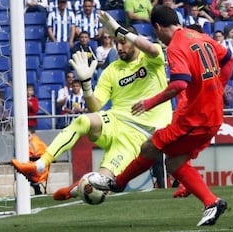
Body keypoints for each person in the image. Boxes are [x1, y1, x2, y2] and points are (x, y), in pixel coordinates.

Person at [90, 6, 233, 226]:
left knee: (152, 147)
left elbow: (179, 83)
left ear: (158, 27)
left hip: (197, 118)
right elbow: (229, 60)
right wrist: (217, 88)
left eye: (155, 31)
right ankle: (210, 201)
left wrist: (149, 102)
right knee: (175, 162)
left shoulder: (176, 45)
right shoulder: (199, 36)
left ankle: (117, 183)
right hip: (212, 115)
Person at [11, 23, 172, 202]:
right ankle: (40, 166)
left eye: (122, 42)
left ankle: (74, 190)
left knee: (101, 184)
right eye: (116, 43)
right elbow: (95, 107)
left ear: (133, 41)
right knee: (83, 121)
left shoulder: (151, 58)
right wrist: (86, 83)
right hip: (116, 120)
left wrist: (119, 28)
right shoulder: (112, 70)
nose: (118, 47)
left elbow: (153, 50)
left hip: (139, 136)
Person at [28, 127, 49, 195]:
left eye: (28, 135)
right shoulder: (42, 144)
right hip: (44, 171)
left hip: (34, 171)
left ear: (33, 135)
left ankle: (37, 189)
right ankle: (37, 189)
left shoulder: (29, 145)